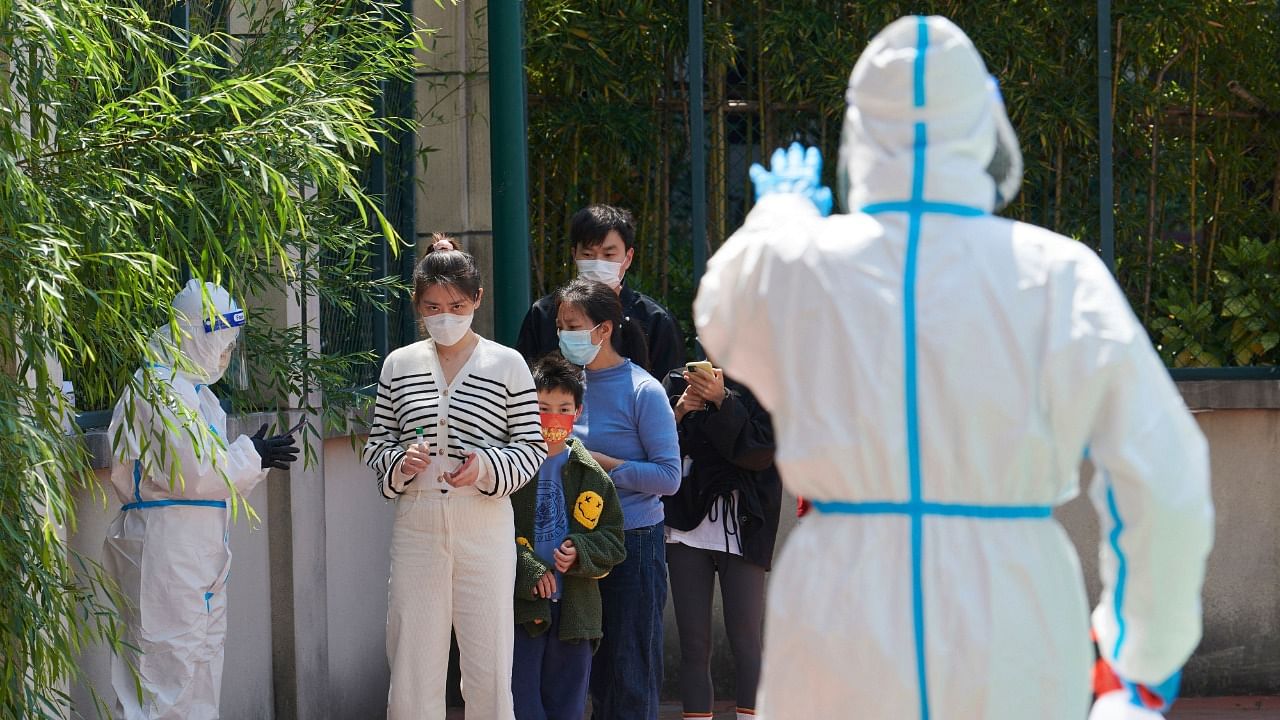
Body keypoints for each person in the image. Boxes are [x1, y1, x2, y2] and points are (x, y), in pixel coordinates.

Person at [693, 15, 1213, 720]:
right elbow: (1165, 476)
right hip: (1014, 613)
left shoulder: (796, 268)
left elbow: (721, 308)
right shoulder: (1060, 275)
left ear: (859, 132)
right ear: (984, 122)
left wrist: (779, 218)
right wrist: (1143, 654)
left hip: (840, 615)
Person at [363, 236, 548, 719]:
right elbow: (377, 442)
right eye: (433, 306)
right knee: (411, 662)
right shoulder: (398, 365)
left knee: (488, 663)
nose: (445, 316)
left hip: (483, 526)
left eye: (457, 305)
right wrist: (400, 463)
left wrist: (484, 467)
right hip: (417, 526)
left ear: (478, 300)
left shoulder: (508, 365)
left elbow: (531, 447)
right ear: (416, 305)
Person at [103, 279, 300, 720]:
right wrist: (252, 454)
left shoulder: (198, 395)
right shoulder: (157, 388)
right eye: (223, 342)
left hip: (199, 550)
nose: (227, 354)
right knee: (162, 681)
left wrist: (256, 458)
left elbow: (214, 479)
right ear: (196, 335)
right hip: (167, 551)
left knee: (200, 676)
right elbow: (193, 472)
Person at [554, 277, 682, 720]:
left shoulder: (643, 390)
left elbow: (669, 476)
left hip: (634, 543)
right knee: (583, 673)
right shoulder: (565, 387)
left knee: (629, 672)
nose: (563, 334)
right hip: (575, 547)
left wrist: (607, 467)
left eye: (572, 325)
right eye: (560, 325)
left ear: (603, 329)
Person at [510, 353, 626, 720]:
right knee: (520, 704)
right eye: (542, 407)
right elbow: (491, 533)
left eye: (563, 407)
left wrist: (582, 550)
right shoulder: (510, 467)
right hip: (521, 612)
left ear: (577, 412)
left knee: (568, 707)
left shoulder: (593, 475)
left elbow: (613, 540)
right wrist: (526, 568)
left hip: (576, 614)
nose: (552, 417)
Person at [662, 362, 780, 720]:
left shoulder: (767, 384)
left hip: (743, 524)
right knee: (694, 644)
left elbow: (759, 453)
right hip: (686, 523)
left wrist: (723, 400)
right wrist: (680, 410)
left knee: (747, 640)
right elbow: (657, 447)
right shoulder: (677, 379)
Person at [517, 204, 685, 380]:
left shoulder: (656, 320)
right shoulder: (543, 313)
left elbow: (671, 392)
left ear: (628, 258)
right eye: (588, 255)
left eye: (609, 255)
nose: (598, 263)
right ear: (574, 255)